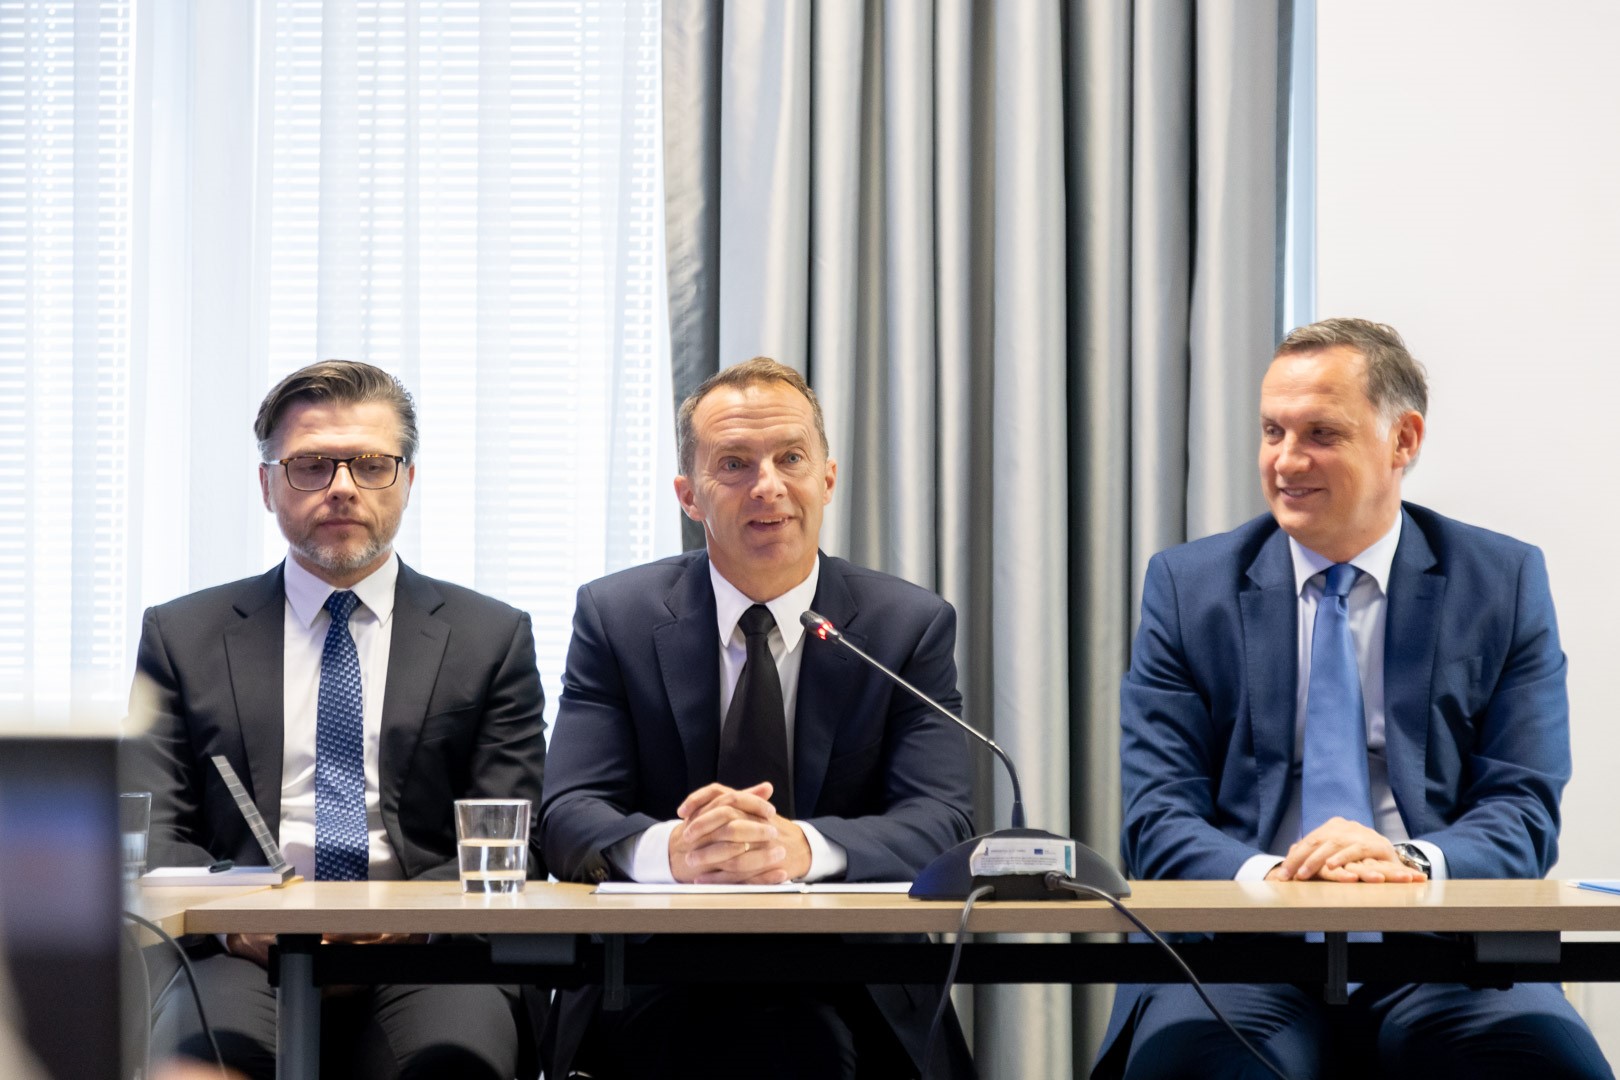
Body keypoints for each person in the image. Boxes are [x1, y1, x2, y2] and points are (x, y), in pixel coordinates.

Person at [1095, 318, 1612, 1079]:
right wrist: (1279, 879)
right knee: (1206, 1065)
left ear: (1403, 440)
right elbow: (1156, 818)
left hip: (1447, 953)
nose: (1286, 460)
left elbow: (1522, 811)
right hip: (1240, 950)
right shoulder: (1187, 586)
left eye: (1321, 434)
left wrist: (1403, 862)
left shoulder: (1500, 582)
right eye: (1273, 431)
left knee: (1540, 1064)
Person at [539, 357, 977, 1079]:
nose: (767, 485)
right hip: (657, 968)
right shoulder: (617, 617)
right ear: (689, 495)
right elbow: (568, 814)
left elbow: (943, 821)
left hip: (855, 974)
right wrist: (677, 852)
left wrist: (798, 848)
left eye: (791, 459)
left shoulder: (906, 625)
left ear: (827, 478)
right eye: (735, 464)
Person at [123, 361, 547, 1080]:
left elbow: (516, 835)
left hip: (428, 948)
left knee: (451, 1065)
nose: (343, 487)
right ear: (268, 486)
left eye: (372, 465)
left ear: (408, 480)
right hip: (241, 952)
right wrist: (238, 919)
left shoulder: (489, 637)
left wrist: (405, 916)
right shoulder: (183, 636)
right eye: (312, 465)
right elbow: (153, 828)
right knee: (211, 1061)